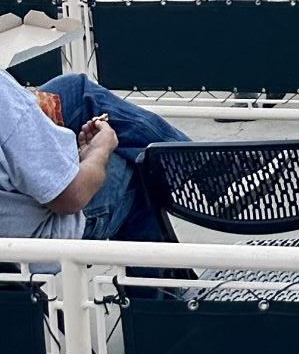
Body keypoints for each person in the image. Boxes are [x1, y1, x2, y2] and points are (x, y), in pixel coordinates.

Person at [0, 64, 191, 243]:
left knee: (73, 90)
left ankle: (197, 165)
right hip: (31, 244)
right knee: (133, 165)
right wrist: (99, 152)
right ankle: (199, 167)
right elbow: (71, 196)